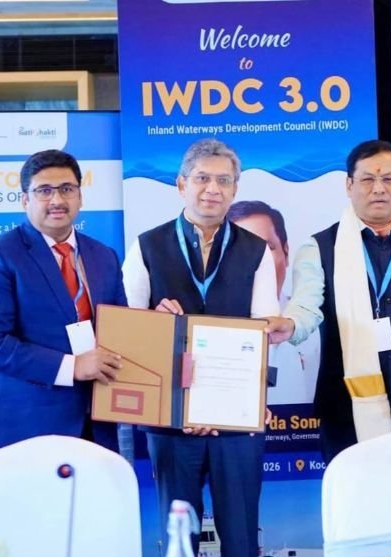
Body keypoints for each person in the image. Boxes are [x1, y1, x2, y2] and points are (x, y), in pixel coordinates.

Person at [266, 140, 391, 464]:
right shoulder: (319, 248)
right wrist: (289, 325)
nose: (378, 189)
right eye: (367, 179)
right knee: (356, 496)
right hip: (345, 411)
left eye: (388, 179)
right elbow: (306, 305)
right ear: (349, 185)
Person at [122, 139, 279, 557]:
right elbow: (125, 331)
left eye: (223, 181)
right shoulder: (147, 245)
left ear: (235, 189)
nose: (213, 189)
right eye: (202, 178)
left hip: (237, 419)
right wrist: (154, 319)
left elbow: (264, 328)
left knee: (242, 538)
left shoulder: (256, 251)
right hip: (171, 421)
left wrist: (234, 402)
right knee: (179, 540)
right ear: (181, 185)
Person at [0, 149, 126, 455]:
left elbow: (121, 329)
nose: (57, 200)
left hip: (96, 426)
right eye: (44, 191)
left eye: (67, 189)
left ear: (80, 196)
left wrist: (157, 325)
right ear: (25, 200)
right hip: (25, 429)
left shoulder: (104, 256)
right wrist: (73, 366)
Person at [228, 200, 321, 405]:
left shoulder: (316, 323)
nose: (257, 259)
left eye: (266, 247)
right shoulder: (211, 324)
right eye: (242, 250)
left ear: (286, 253)